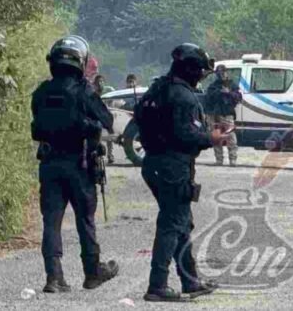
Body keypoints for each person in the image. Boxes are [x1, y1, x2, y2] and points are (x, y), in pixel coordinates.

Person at [134, 43, 227, 302]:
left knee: (181, 222)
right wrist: (211, 138)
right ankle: (157, 285)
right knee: (172, 223)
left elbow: (140, 117)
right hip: (173, 166)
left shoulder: (158, 88)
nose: (202, 77)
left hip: (153, 163)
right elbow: (185, 135)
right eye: (201, 72)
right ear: (192, 71)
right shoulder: (183, 97)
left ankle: (190, 280)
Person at [30, 36, 119, 293]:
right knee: (85, 220)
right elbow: (108, 120)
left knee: (51, 221)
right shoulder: (83, 91)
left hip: (50, 164)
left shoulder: (42, 91)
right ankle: (92, 273)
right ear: (80, 61)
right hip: (80, 164)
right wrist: (89, 125)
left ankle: (54, 277)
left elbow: (38, 124)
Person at [204, 65, 241, 166]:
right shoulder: (213, 86)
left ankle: (233, 160)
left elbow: (238, 97)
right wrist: (219, 92)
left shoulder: (232, 85)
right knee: (216, 137)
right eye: (220, 73)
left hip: (227, 113)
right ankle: (219, 160)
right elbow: (208, 98)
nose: (222, 74)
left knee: (231, 137)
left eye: (223, 72)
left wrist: (229, 93)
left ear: (226, 72)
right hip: (214, 114)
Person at [93, 75, 117, 165]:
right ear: (95, 84)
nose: (100, 83)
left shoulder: (108, 91)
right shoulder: (92, 94)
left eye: (101, 81)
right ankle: (99, 154)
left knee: (110, 135)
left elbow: (112, 103)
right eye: (98, 82)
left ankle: (110, 155)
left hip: (107, 117)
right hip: (97, 117)